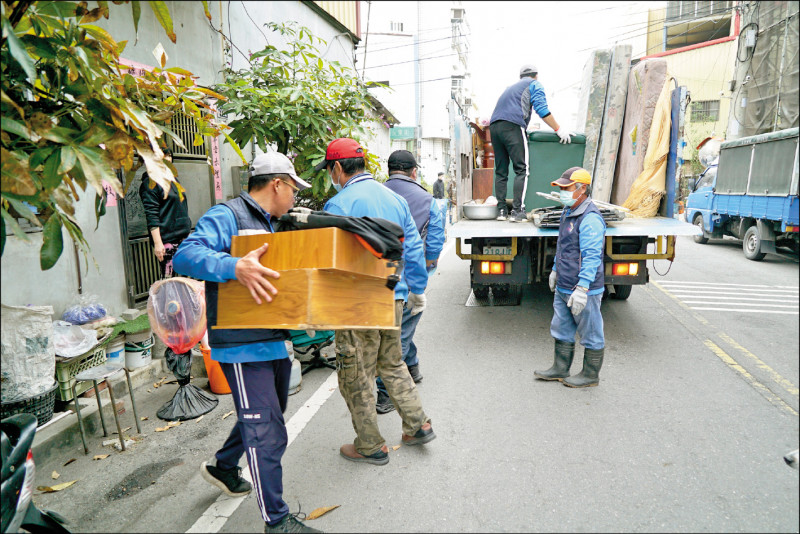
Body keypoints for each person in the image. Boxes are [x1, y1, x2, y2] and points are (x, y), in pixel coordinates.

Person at [172, 152, 321, 533]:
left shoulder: (276, 223)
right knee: (266, 430)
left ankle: (224, 466)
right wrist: (234, 266)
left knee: (265, 413)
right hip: (241, 344)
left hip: (272, 337)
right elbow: (186, 256)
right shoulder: (229, 216)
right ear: (277, 184)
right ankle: (277, 520)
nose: (295, 197)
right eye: (293, 188)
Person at [314, 138, 436, 465]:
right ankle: (417, 424)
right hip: (392, 296)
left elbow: (327, 265)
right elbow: (412, 248)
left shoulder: (338, 206)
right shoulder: (395, 199)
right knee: (392, 363)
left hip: (357, 303)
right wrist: (417, 289)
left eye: (330, 170)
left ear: (337, 168)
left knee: (357, 373)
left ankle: (370, 444)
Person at [375, 150, 445, 414]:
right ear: (414, 172)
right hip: (409, 276)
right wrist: (429, 268)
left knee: (404, 325)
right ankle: (385, 393)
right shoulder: (428, 200)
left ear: (389, 169)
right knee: (402, 330)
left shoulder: (378, 194)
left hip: (377, 276)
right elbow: (434, 241)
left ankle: (413, 367)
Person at [534, 167, 606, 388]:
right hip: (565, 284)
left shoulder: (590, 218)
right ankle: (560, 368)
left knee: (591, 331)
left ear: (582, 189)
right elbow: (563, 247)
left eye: (567, 188)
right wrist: (555, 269)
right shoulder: (568, 211)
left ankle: (590, 375)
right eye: (561, 188)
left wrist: (582, 289)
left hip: (583, 289)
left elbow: (592, 257)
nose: (563, 192)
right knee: (562, 326)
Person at [490, 64, 575, 222]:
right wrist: (558, 129)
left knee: (501, 171)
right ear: (536, 75)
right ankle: (517, 211)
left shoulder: (510, 88)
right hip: (513, 125)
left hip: (494, 126)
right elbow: (542, 110)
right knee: (522, 169)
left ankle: (501, 211)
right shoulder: (534, 84)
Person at [138, 148, 192, 278]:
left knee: (185, 282)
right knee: (169, 281)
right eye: (163, 156)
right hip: (167, 241)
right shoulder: (149, 184)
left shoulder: (173, 180)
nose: (168, 159)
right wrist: (158, 243)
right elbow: (151, 214)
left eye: (169, 155)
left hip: (183, 238)